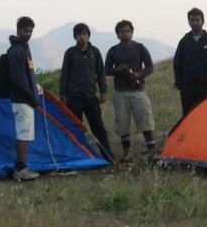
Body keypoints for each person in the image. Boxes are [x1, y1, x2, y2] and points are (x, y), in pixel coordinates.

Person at [59, 23, 114, 163]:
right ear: (75, 36)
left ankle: (107, 156)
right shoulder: (70, 53)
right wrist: (62, 95)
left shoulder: (95, 52)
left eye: (84, 34)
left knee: (98, 128)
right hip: (74, 97)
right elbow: (64, 74)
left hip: (90, 96)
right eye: (79, 34)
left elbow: (100, 73)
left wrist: (103, 91)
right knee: (76, 128)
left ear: (88, 35)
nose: (82, 37)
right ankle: (78, 157)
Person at [105, 20, 156, 161]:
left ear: (132, 32)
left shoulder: (140, 48)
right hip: (120, 92)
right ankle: (127, 152)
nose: (125, 33)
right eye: (122, 31)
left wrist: (139, 74)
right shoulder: (113, 50)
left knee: (146, 121)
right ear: (117, 34)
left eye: (127, 31)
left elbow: (150, 67)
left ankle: (152, 151)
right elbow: (106, 70)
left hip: (138, 91)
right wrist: (117, 69)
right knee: (122, 124)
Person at [173, 7, 207, 117]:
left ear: (203, 21)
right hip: (189, 90)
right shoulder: (184, 42)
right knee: (190, 119)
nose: (195, 22)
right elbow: (177, 65)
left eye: (197, 20)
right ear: (188, 22)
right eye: (192, 20)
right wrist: (181, 86)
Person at [7, 16, 40, 181]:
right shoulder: (16, 51)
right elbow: (19, 80)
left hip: (26, 98)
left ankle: (21, 166)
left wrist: (36, 88)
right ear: (18, 30)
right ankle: (20, 169)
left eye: (31, 31)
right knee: (24, 134)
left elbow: (28, 75)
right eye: (25, 30)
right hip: (22, 100)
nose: (28, 34)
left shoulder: (24, 48)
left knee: (25, 133)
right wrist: (32, 98)